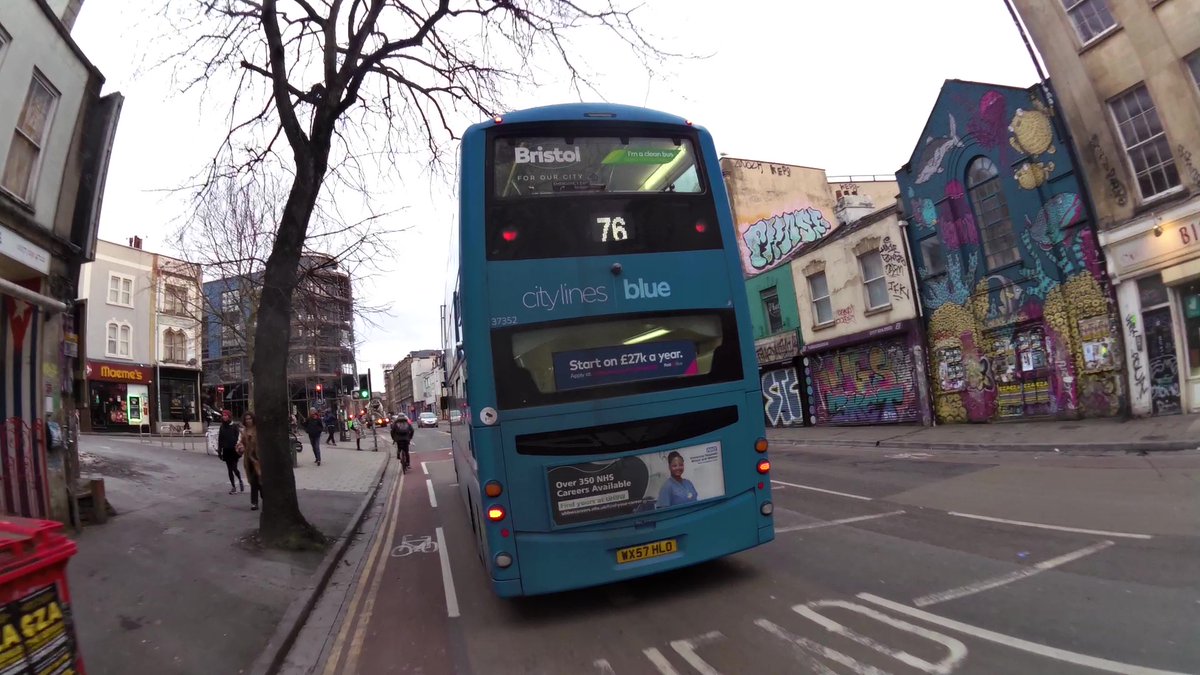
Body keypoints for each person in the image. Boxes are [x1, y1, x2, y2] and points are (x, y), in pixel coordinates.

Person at [238, 412, 262, 510]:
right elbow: (241, 443)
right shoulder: (244, 431)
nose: (248, 421)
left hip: (258, 459)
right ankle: (255, 502)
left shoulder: (258, 430)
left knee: (259, 480)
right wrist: (241, 447)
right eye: (246, 419)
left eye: (250, 419)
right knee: (253, 481)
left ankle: (260, 499)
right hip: (249, 460)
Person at [217, 410, 244, 494]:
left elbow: (236, 437)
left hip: (233, 450)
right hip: (226, 450)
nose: (224, 417)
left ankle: (240, 480)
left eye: (226, 415)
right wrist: (219, 450)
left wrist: (238, 446)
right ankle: (233, 486)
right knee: (229, 469)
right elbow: (220, 439)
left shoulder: (234, 426)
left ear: (229, 416)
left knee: (234, 468)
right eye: (223, 415)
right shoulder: (222, 427)